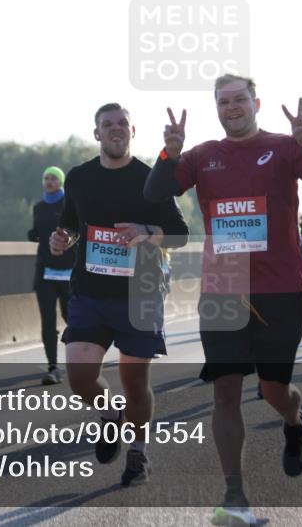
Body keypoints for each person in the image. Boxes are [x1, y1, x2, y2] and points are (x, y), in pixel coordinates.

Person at [144, 74, 302, 526]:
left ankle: (294, 421)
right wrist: (168, 153)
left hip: (280, 289)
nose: (231, 107)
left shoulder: (285, 146)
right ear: (215, 107)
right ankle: (235, 497)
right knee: (225, 392)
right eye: (223, 101)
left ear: (256, 102)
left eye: (239, 99)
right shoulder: (202, 156)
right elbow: (155, 193)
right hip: (223, 288)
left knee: (273, 389)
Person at [49, 103, 189, 487]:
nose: (115, 130)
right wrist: (62, 238)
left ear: (132, 131)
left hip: (140, 294)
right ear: (96, 134)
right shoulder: (78, 178)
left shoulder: (151, 179)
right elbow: (71, 225)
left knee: (135, 382)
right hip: (91, 291)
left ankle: (138, 454)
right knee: (79, 377)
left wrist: (146, 230)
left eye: (122, 124)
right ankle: (111, 414)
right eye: (107, 125)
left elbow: (180, 234)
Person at [28, 166, 75, 385]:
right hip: (45, 272)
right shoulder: (38, 208)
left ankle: (79, 359)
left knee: (71, 318)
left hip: (68, 271)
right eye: (46, 178)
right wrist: (34, 234)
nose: (49, 182)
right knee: (48, 322)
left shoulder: (69, 204)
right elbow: (39, 231)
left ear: (61, 182)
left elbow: (77, 232)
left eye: (54, 178)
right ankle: (53, 367)